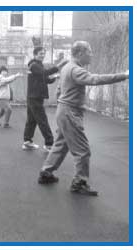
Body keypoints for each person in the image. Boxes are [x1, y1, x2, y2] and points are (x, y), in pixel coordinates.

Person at [37, 41, 129, 196]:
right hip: (69, 112)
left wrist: (63, 104)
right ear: (80, 53)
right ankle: (80, 183)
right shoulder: (75, 69)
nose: (91, 54)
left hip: (64, 110)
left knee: (60, 144)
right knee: (83, 150)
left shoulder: (67, 67)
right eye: (90, 51)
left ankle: (46, 173)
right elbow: (95, 79)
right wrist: (124, 75)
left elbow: (59, 91)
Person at [22, 46, 68, 151]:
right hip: (35, 97)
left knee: (31, 120)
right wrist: (60, 65)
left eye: (43, 53)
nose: (42, 55)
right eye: (40, 54)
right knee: (42, 120)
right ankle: (49, 144)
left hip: (33, 97)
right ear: (35, 55)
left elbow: (45, 79)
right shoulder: (33, 65)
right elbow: (44, 73)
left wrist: (55, 77)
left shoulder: (38, 65)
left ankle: (27, 141)